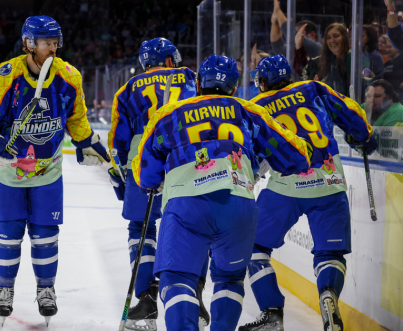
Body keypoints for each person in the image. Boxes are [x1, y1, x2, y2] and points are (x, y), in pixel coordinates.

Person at [132, 54, 312, 331]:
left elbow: (146, 176)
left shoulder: (169, 114)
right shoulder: (248, 110)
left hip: (187, 204)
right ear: (234, 88)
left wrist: (155, 181)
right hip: (239, 204)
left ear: (199, 85)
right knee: (229, 280)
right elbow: (297, 156)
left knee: (177, 278)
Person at [0, 15, 110, 325]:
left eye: (55, 43)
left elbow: (77, 120)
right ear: (29, 43)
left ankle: (46, 290)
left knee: (46, 234)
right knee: (7, 234)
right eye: (46, 43)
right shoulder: (5, 76)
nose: (53, 49)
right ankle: (3, 291)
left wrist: (89, 142)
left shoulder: (69, 76)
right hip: (10, 172)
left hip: (49, 172)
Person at [239, 55, 376, 331]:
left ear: (263, 82)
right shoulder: (313, 88)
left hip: (284, 189)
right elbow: (351, 114)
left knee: (253, 248)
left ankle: (272, 313)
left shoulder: (256, 106)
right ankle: (327, 294)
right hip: (330, 183)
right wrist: (363, 138)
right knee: (330, 253)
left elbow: (250, 152)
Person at [107, 37, 207, 330]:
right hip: (187, 156)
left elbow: (118, 140)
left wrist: (123, 170)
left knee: (141, 227)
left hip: (142, 157)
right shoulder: (190, 78)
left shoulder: (127, 89)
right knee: (193, 225)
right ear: (167, 60)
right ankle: (195, 299)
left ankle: (147, 299)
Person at [294, 23, 371, 97]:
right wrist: (298, 45)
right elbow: (303, 71)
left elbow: (366, 89)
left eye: (336, 36)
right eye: (328, 37)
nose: (332, 40)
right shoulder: (326, 60)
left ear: (345, 37)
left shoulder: (355, 59)